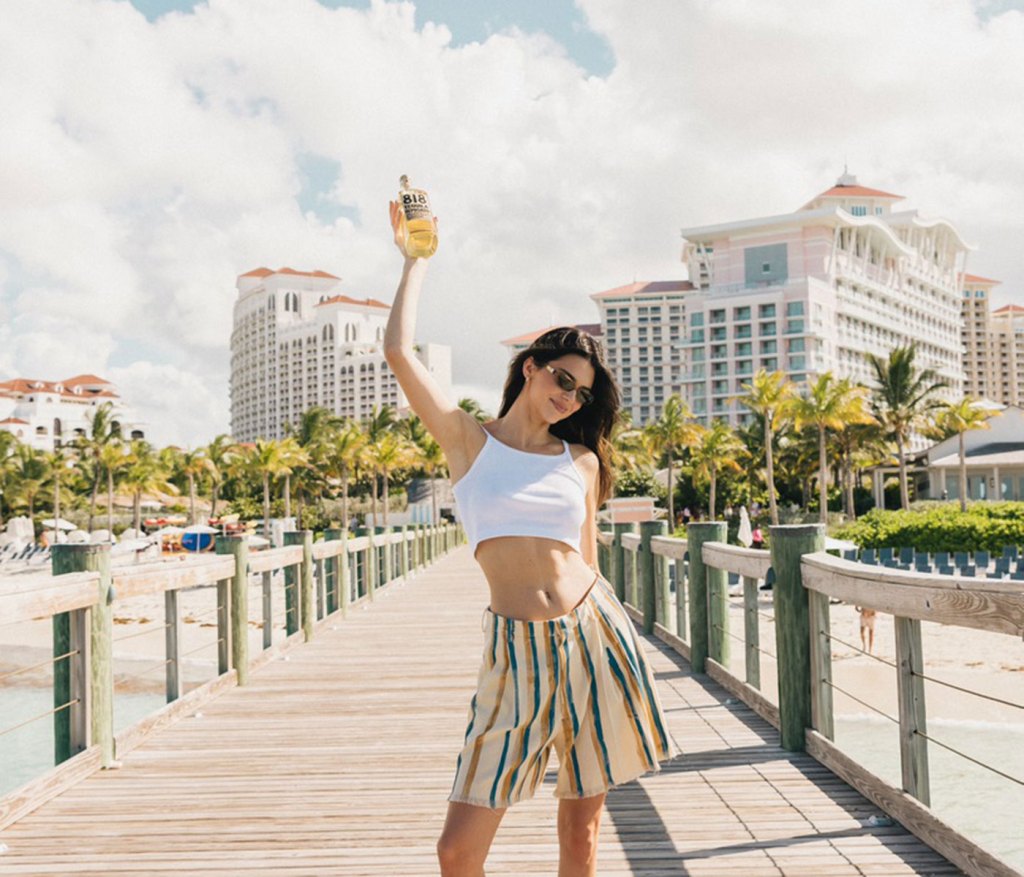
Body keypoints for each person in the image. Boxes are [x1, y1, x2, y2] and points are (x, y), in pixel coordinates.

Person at [384, 201, 677, 877]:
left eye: (582, 394)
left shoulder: (582, 462)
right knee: (456, 851)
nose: (570, 397)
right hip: (514, 652)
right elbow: (399, 351)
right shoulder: (467, 440)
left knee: (581, 834)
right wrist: (416, 261)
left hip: (594, 636)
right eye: (562, 379)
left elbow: (589, 559)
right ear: (531, 368)